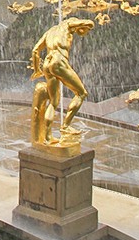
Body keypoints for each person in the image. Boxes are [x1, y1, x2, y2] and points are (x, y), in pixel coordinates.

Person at [28, 17, 94, 145]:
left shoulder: (50, 31)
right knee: (81, 93)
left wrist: (37, 70)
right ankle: (65, 126)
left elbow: (35, 50)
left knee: (53, 102)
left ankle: (47, 138)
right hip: (59, 62)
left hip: (47, 64)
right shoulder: (68, 24)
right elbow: (89, 22)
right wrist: (87, 25)